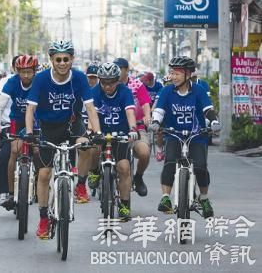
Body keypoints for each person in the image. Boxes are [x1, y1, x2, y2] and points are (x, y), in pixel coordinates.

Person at [25, 40, 101, 239]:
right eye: (58, 59)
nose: (62, 63)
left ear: (72, 59)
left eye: (66, 59)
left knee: (86, 146)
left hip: (72, 123)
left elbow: (90, 108)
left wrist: (97, 132)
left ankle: (81, 184)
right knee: (44, 174)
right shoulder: (41, 79)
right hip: (48, 128)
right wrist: (30, 132)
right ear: (51, 60)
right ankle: (43, 218)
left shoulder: (79, 78)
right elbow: (30, 108)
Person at [150, 56, 220, 218]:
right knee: (170, 162)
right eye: (172, 73)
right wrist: (155, 122)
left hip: (197, 135)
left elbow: (207, 110)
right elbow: (160, 110)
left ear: (188, 75)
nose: (173, 77)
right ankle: (166, 197)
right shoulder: (167, 91)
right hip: (174, 134)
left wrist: (214, 121)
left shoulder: (198, 90)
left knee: (201, 167)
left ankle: (204, 198)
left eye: (177, 74)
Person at [92, 62, 139, 221]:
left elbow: (130, 112)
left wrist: (133, 129)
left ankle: (124, 205)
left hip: (120, 135)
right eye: (103, 82)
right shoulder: (94, 92)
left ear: (118, 80)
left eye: (111, 82)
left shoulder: (125, 92)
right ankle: (94, 171)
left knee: (124, 167)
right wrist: (92, 131)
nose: (107, 86)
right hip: (101, 134)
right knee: (91, 148)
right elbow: (90, 116)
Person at [0, 54, 38, 209]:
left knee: (38, 152)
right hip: (17, 121)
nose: (25, 75)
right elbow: (0, 105)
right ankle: (10, 192)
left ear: (35, 71)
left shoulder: (39, 82)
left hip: (37, 121)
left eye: (29, 71)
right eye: (22, 71)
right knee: (14, 151)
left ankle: (40, 187)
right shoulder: (12, 82)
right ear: (17, 71)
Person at [113, 57, 151, 197]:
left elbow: (145, 102)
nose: (116, 71)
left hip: (136, 127)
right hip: (114, 127)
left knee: (144, 152)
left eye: (120, 68)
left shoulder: (137, 84)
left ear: (127, 70)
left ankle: (139, 177)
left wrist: (147, 116)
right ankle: (100, 172)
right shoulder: (108, 83)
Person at [0, 55, 20, 207]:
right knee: (6, 155)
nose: (23, 72)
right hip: (8, 124)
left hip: (29, 125)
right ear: (12, 68)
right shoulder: (4, 82)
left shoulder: (35, 82)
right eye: (18, 68)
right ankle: (3, 191)